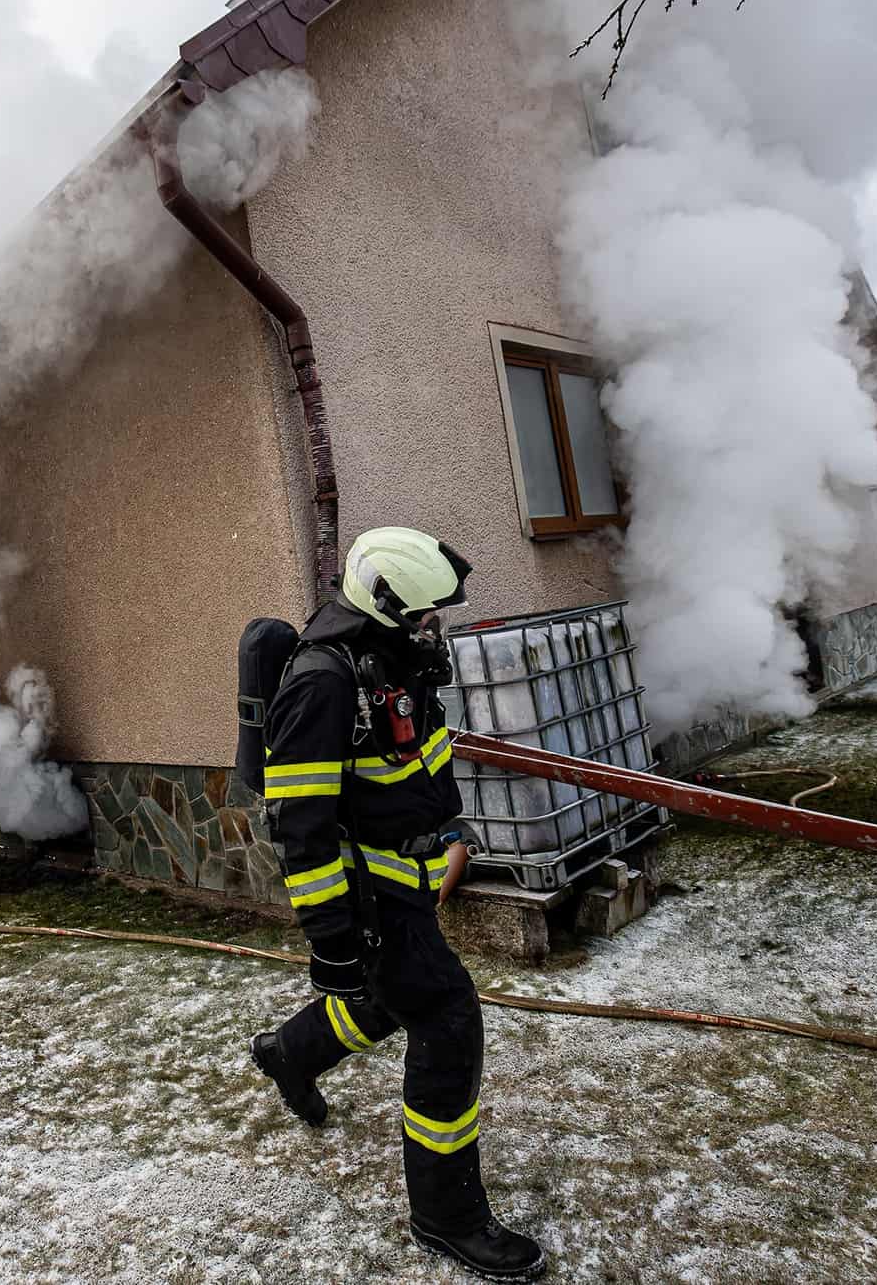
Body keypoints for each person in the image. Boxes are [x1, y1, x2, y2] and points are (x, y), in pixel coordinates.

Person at [250, 527, 546, 1281]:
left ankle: (288, 1054)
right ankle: (448, 1216)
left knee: (387, 1002)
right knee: (447, 1020)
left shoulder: (386, 656)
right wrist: (333, 945)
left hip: (405, 874)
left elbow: (407, 762)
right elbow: (302, 831)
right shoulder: (323, 683)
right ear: (383, 604)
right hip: (367, 894)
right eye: (423, 615)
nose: (433, 627)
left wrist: (443, 830)